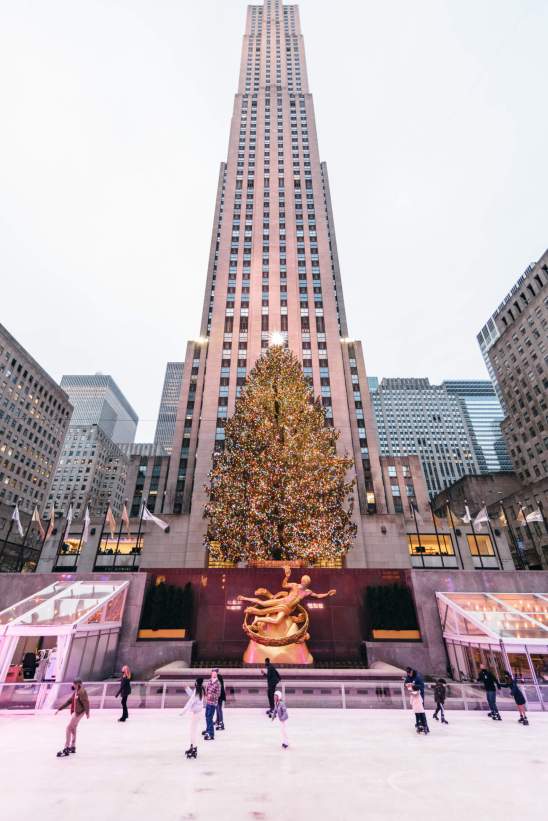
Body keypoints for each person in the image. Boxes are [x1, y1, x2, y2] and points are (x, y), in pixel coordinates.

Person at [55, 678, 90, 757]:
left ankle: (66, 747)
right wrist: (60, 709)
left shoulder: (82, 692)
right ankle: (73, 746)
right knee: (73, 728)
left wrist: (87, 713)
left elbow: (86, 703)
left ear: (78, 684)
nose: (73, 685)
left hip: (79, 712)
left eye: (74, 684)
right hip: (76, 712)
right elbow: (69, 701)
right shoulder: (76, 692)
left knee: (68, 728)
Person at [182, 677, 204, 758]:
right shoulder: (200, 690)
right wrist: (187, 688)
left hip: (196, 714)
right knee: (192, 731)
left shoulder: (198, 691)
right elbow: (192, 696)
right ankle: (192, 747)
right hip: (197, 713)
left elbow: (190, 702)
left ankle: (194, 749)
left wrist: (182, 712)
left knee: (193, 732)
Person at [203, 669, 221, 740]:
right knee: (207, 716)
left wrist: (211, 696)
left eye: (214, 673)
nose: (213, 674)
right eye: (212, 673)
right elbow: (207, 689)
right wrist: (206, 694)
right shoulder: (209, 681)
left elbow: (218, 694)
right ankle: (208, 730)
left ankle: (211, 733)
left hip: (213, 703)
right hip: (208, 702)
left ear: (216, 674)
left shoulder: (218, 683)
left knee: (210, 717)